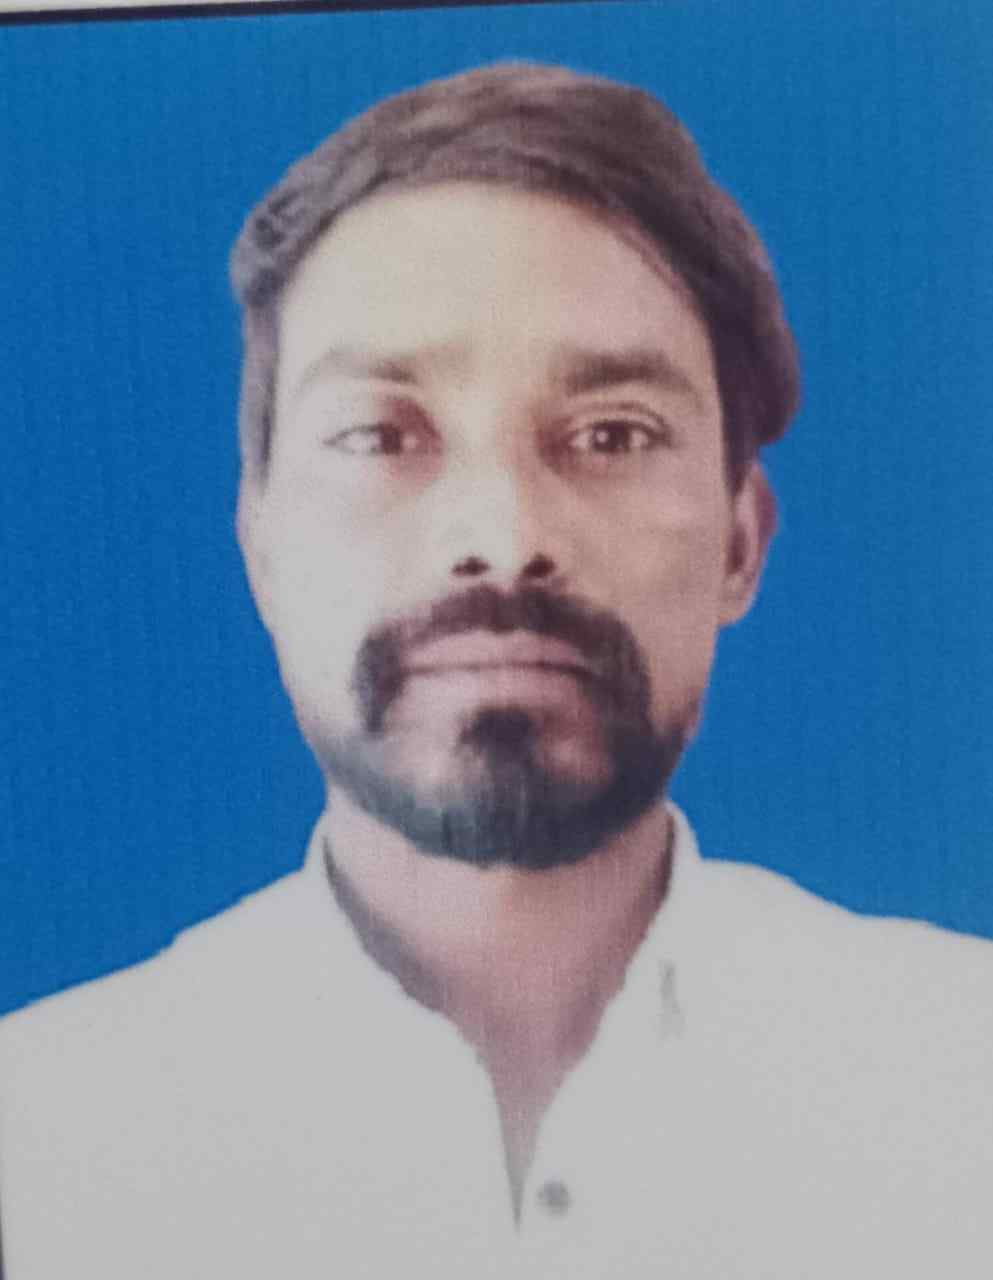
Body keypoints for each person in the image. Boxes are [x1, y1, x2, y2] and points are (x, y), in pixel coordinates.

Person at [1, 62, 990, 1280]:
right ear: (261, 543)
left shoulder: (962, 1081)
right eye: (382, 434)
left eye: (612, 434)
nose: (504, 533)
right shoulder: (40, 1140)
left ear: (742, 542)